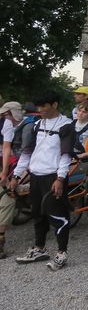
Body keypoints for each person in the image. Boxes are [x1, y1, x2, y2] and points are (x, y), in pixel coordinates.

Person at [9, 92, 74, 271]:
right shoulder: (37, 124)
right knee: (37, 213)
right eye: (38, 107)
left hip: (53, 176)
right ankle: (39, 248)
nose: (40, 110)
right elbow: (27, 152)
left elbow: (66, 155)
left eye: (44, 106)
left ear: (54, 105)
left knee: (58, 215)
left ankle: (62, 252)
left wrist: (60, 178)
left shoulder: (66, 125)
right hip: (36, 175)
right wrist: (16, 175)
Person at [0, 102, 28, 259]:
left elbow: (9, 149)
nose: (4, 116)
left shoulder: (16, 125)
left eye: (6, 114)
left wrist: (8, 174)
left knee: (7, 196)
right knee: (6, 195)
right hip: (12, 162)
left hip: (20, 163)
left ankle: (0, 239)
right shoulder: (7, 123)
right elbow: (6, 147)